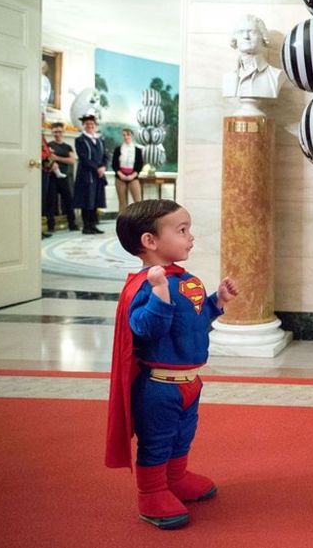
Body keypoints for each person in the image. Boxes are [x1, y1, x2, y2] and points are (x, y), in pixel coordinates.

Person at [105, 199, 240, 530]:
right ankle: (151, 493)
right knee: (157, 440)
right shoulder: (144, 286)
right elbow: (144, 329)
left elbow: (194, 321)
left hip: (190, 382)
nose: (190, 237)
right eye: (181, 230)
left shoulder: (187, 280)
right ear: (150, 241)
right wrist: (159, 294)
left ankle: (176, 478)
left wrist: (217, 301)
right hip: (158, 386)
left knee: (183, 435)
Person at [221, 14, 285, 101]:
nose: (246, 36)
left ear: (262, 37)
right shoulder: (228, 78)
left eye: (252, 32)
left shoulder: (275, 75)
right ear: (235, 38)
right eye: (241, 32)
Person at [73, 112, 107, 234]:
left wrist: (103, 167)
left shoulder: (100, 140)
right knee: (87, 200)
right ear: (83, 125)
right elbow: (83, 158)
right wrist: (97, 168)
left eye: (92, 124)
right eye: (87, 124)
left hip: (99, 175)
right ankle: (86, 226)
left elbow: (105, 156)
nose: (90, 126)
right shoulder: (80, 140)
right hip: (86, 174)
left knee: (96, 199)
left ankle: (93, 225)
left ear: (95, 125)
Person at [45, 122, 78, 234]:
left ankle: (72, 224)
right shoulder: (49, 145)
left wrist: (57, 158)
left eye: (59, 131)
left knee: (68, 201)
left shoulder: (67, 147)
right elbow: (47, 158)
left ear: (63, 132)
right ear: (52, 132)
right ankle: (50, 226)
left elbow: (72, 160)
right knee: (51, 201)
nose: (57, 134)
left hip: (65, 177)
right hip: (52, 177)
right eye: (55, 132)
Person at [112, 128, 144, 212]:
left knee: (138, 201)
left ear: (132, 136)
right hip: (120, 177)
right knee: (122, 202)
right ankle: (123, 219)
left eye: (128, 135)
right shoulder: (118, 149)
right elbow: (114, 164)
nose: (126, 137)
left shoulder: (137, 150)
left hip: (133, 176)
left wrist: (132, 176)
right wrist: (121, 175)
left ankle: (139, 219)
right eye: (124, 135)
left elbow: (140, 165)